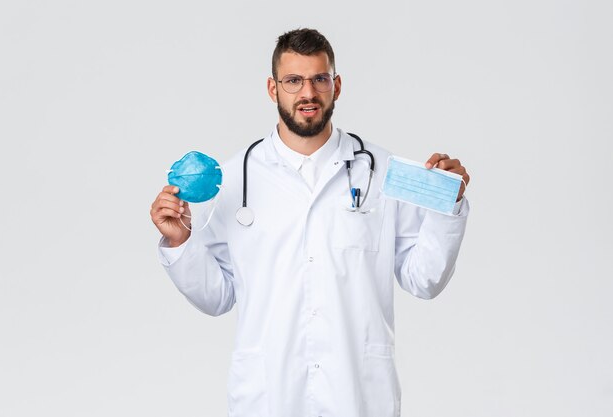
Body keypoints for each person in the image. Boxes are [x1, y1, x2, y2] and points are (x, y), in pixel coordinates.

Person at [150, 28, 470, 417]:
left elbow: (425, 279)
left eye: (319, 79)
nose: (308, 93)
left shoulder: (382, 172)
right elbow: (217, 297)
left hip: (357, 395)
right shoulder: (235, 179)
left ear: (336, 85)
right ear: (273, 88)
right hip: (268, 396)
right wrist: (181, 240)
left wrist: (446, 208)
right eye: (293, 81)